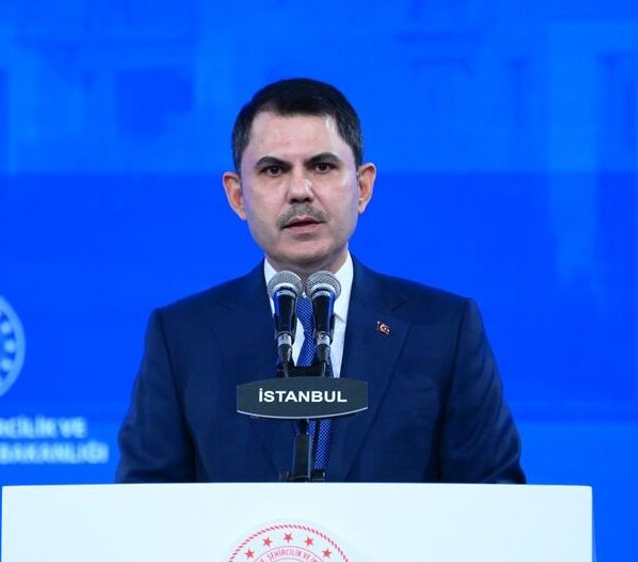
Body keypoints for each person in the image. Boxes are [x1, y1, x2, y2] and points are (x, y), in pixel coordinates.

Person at [116, 78, 524, 483]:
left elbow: (497, 497)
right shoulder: (183, 337)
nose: (300, 191)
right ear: (237, 196)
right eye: (274, 170)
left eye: (322, 166)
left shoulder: (444, 330)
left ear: (363, 187)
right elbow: (142, 502)